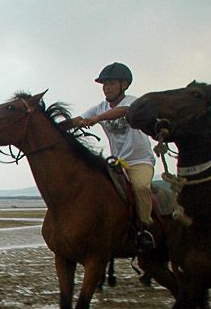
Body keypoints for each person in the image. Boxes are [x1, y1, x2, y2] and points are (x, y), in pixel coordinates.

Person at [67, 62, 156, 252]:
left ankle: (145, 229)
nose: (106, 88)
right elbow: (79, 120)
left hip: (140, 161)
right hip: (117, 162)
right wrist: (57, 126)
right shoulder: (98, 107)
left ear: (124, 85)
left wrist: (97, 119)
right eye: (104, 84)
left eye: (110, 83)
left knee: (141, 187)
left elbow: (122, 112)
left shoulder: (132, 102)